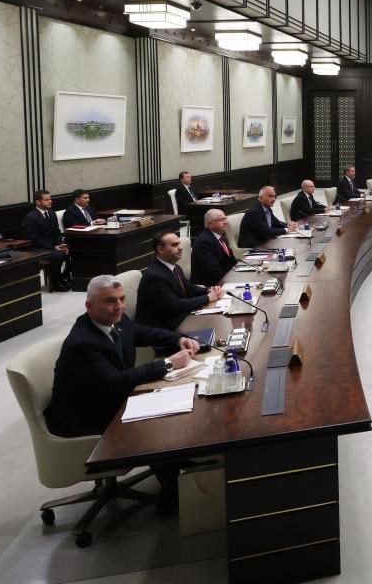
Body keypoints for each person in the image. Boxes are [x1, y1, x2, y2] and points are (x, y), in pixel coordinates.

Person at [44, 275, 201, 514]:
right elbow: (117, 382)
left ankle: (175, 467)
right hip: (83, 418)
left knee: (171, 400)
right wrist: (168, 363)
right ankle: (173, 493)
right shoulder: (83, 343)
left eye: (121, 299)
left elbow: (141, 332)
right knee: (155, 420)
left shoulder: (115, 320)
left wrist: (178, 338)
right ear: (89, 305)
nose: (119, 306)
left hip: (107, 398)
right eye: (110, 301)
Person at [136, 231, 223, 331]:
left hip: (179, 319)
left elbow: (189, 288)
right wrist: (207, 298)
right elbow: (174, 305)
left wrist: (209, 290)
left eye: (179, 244)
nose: (180, 248)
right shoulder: (154, 276)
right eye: (174, 245)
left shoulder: (175, 267)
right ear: (160, 249)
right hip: (163, 329)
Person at [22, 189, 70, 292]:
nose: (50, 201)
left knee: (70, 249)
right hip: (38, 248)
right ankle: (56, 283)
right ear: (38, 202)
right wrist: (53, 247)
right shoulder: (31, 217)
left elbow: (57, 232)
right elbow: (34, 238)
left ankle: (63, 277)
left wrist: (61, 244)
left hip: (53, 246)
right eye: (46, 200)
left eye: (50, 199)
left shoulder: (52, 213)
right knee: (58, 256)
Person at [191, 209, 238, 286]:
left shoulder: (218, 236)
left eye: (225, 218)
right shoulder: (204, 242)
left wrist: (242, 268)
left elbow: (231, 260)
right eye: (221, 220)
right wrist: (235, 279)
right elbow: (214, 271)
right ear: (210, 224)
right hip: (210, 286)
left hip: (224, 279)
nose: (225, 222)